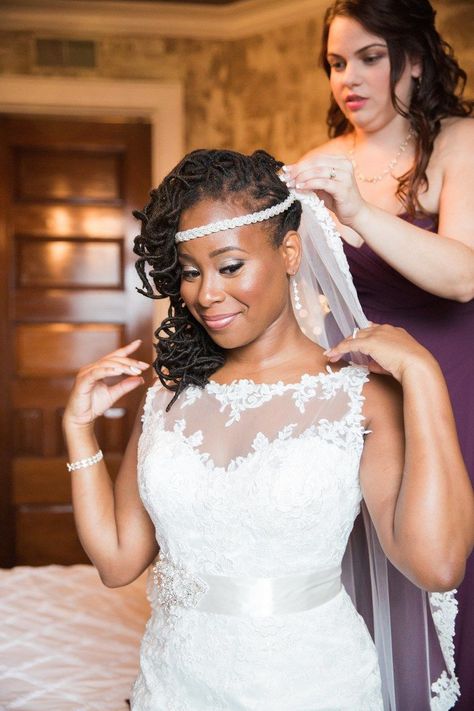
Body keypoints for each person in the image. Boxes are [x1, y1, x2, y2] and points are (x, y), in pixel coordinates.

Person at [63, 149, 473, 710]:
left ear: (289, 251)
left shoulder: (360, 398)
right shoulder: (168, 399)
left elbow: (438, 564)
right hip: (174, 686)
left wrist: (423, 376)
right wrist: (79, 430)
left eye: (230, 266)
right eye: (190, 271)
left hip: (313, 687)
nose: (206, 294)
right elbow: (116, 563)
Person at [282, 0, 474, 705]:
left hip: (456, 382)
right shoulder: (321, 164)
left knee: (451, 560)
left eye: (368, 57)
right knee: (362, 564)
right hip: (361, 400)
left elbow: (463, 275)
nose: (348, 78)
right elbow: (295, 296)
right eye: (336, 63)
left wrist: (358, 213)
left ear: (414, 61)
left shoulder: (461, 144)